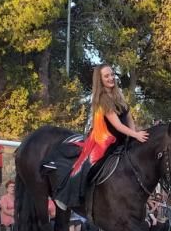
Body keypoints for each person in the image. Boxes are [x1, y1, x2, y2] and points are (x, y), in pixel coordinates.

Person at [54, 64, 148, 209]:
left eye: (112, 74)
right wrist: (135, 134)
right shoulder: (103, 99)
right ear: (100, 79)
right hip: (105, 139)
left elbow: (128, 116)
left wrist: (134, 133)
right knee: (89, 164)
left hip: (123, 137)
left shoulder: (118, 94)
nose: (111, 78)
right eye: (106, 76)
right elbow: (117, 125)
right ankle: (69, 195)